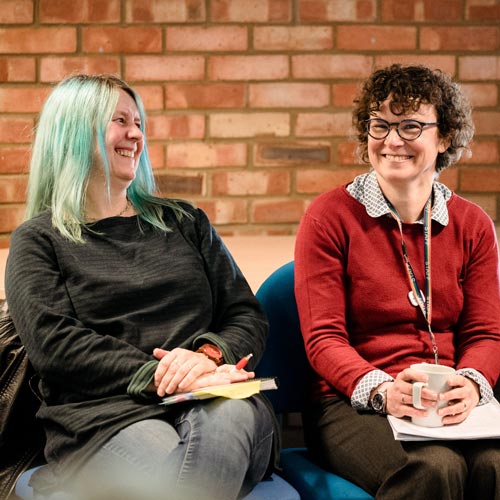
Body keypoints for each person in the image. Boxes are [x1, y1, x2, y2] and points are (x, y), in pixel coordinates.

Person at [5, 74, 275, 500]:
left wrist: (205, 358)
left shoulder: (184, 222)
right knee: (175, 481)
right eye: (119, 120)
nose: (136, 134)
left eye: (138, 122)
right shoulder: (38, 240)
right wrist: (162, 377)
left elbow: (244, 313)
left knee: (227, 421)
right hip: (106, 419)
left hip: (218, 396)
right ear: (74, 131)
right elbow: (54, 344)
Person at [294, 64, 500, 500]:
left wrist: (472, 381)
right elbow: (323, 339)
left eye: (410, 126)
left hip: (446, 396)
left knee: (494, 464)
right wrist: (384, 391)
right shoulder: (328, 218)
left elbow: (486, 333)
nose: (391, 140)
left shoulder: (473, 224)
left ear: (444, 137)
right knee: (433, 468)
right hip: (353, 400)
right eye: (380, 125)